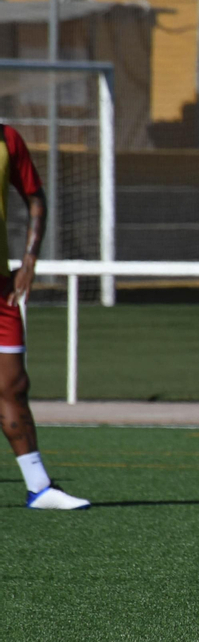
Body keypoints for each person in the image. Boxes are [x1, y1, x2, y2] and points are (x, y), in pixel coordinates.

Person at [0, 124, 87, 511]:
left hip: (1, 287)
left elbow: (35, 198)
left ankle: (39, 487)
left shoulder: (7, 139)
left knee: (13, 384)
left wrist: (30, 259)